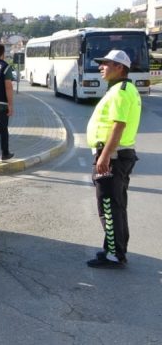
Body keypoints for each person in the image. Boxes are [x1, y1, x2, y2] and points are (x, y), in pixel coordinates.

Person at [85, 49, 141, 269]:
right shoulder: (126, 89)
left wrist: (105, 156)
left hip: (113, 156)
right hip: (119, 155)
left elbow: (118, 126)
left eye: (106, 63)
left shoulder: (120, 91)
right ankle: (115, 250)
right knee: (116, 205)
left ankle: (115, 254)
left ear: (120, 67)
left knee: (108, 205)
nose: (101, 67)